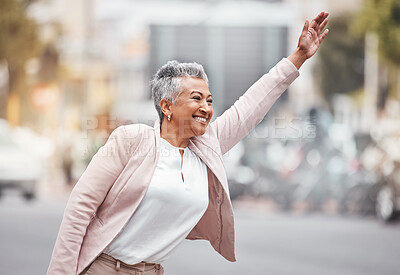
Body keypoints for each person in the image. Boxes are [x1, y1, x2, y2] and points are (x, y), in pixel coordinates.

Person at [47, 11, 329, 275]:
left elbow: (251, 106)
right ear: (166, 106)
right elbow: (79, 208)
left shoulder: (206, 147)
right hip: (105, 268)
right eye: (196, 98)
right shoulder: (132, 139)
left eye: (209, 100)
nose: (206, 107)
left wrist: (299, 56)